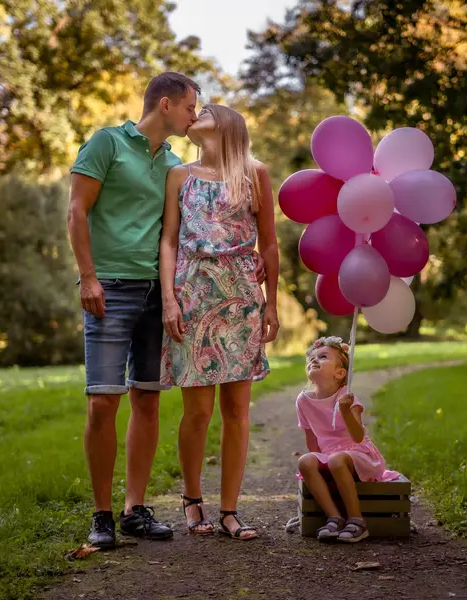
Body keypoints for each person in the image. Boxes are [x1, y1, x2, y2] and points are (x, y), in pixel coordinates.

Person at [67, 73, 264, 549]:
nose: (196, 115)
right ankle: (102, 515)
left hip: (162, 292)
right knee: (102, 402)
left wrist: (243, 252)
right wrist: (88, 276)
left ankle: (135, 509)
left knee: (147, 400)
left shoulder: (178, 165)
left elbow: (196, 225)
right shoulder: (107, 144)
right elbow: (76, 210)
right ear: (168, 104)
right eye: (192, 107)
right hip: (110, 287)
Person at [159, 104, 280, 541]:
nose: (195, 113)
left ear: (226, 123)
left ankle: (230, 511)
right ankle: (193, 501)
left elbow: (269, 243)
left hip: (241, 296)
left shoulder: (255, 174)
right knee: (198, 411)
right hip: (192, 292)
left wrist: (271, 304)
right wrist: (169, 299)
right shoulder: (179, 175)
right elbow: (169, 238)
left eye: (204, 109)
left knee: (237, 412)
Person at [295, 336, 400, 543]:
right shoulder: (303, 401)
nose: (314, 360)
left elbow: (358, 436)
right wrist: (317, 467)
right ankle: (334, 517)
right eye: (312, 358)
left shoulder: (346, 397)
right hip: (331, 457)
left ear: (340, 373)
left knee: (336, 459)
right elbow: (312, 442)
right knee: (305, 461)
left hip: (359, 455)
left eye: (322, 357)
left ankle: (357, 520)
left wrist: (344, 409)